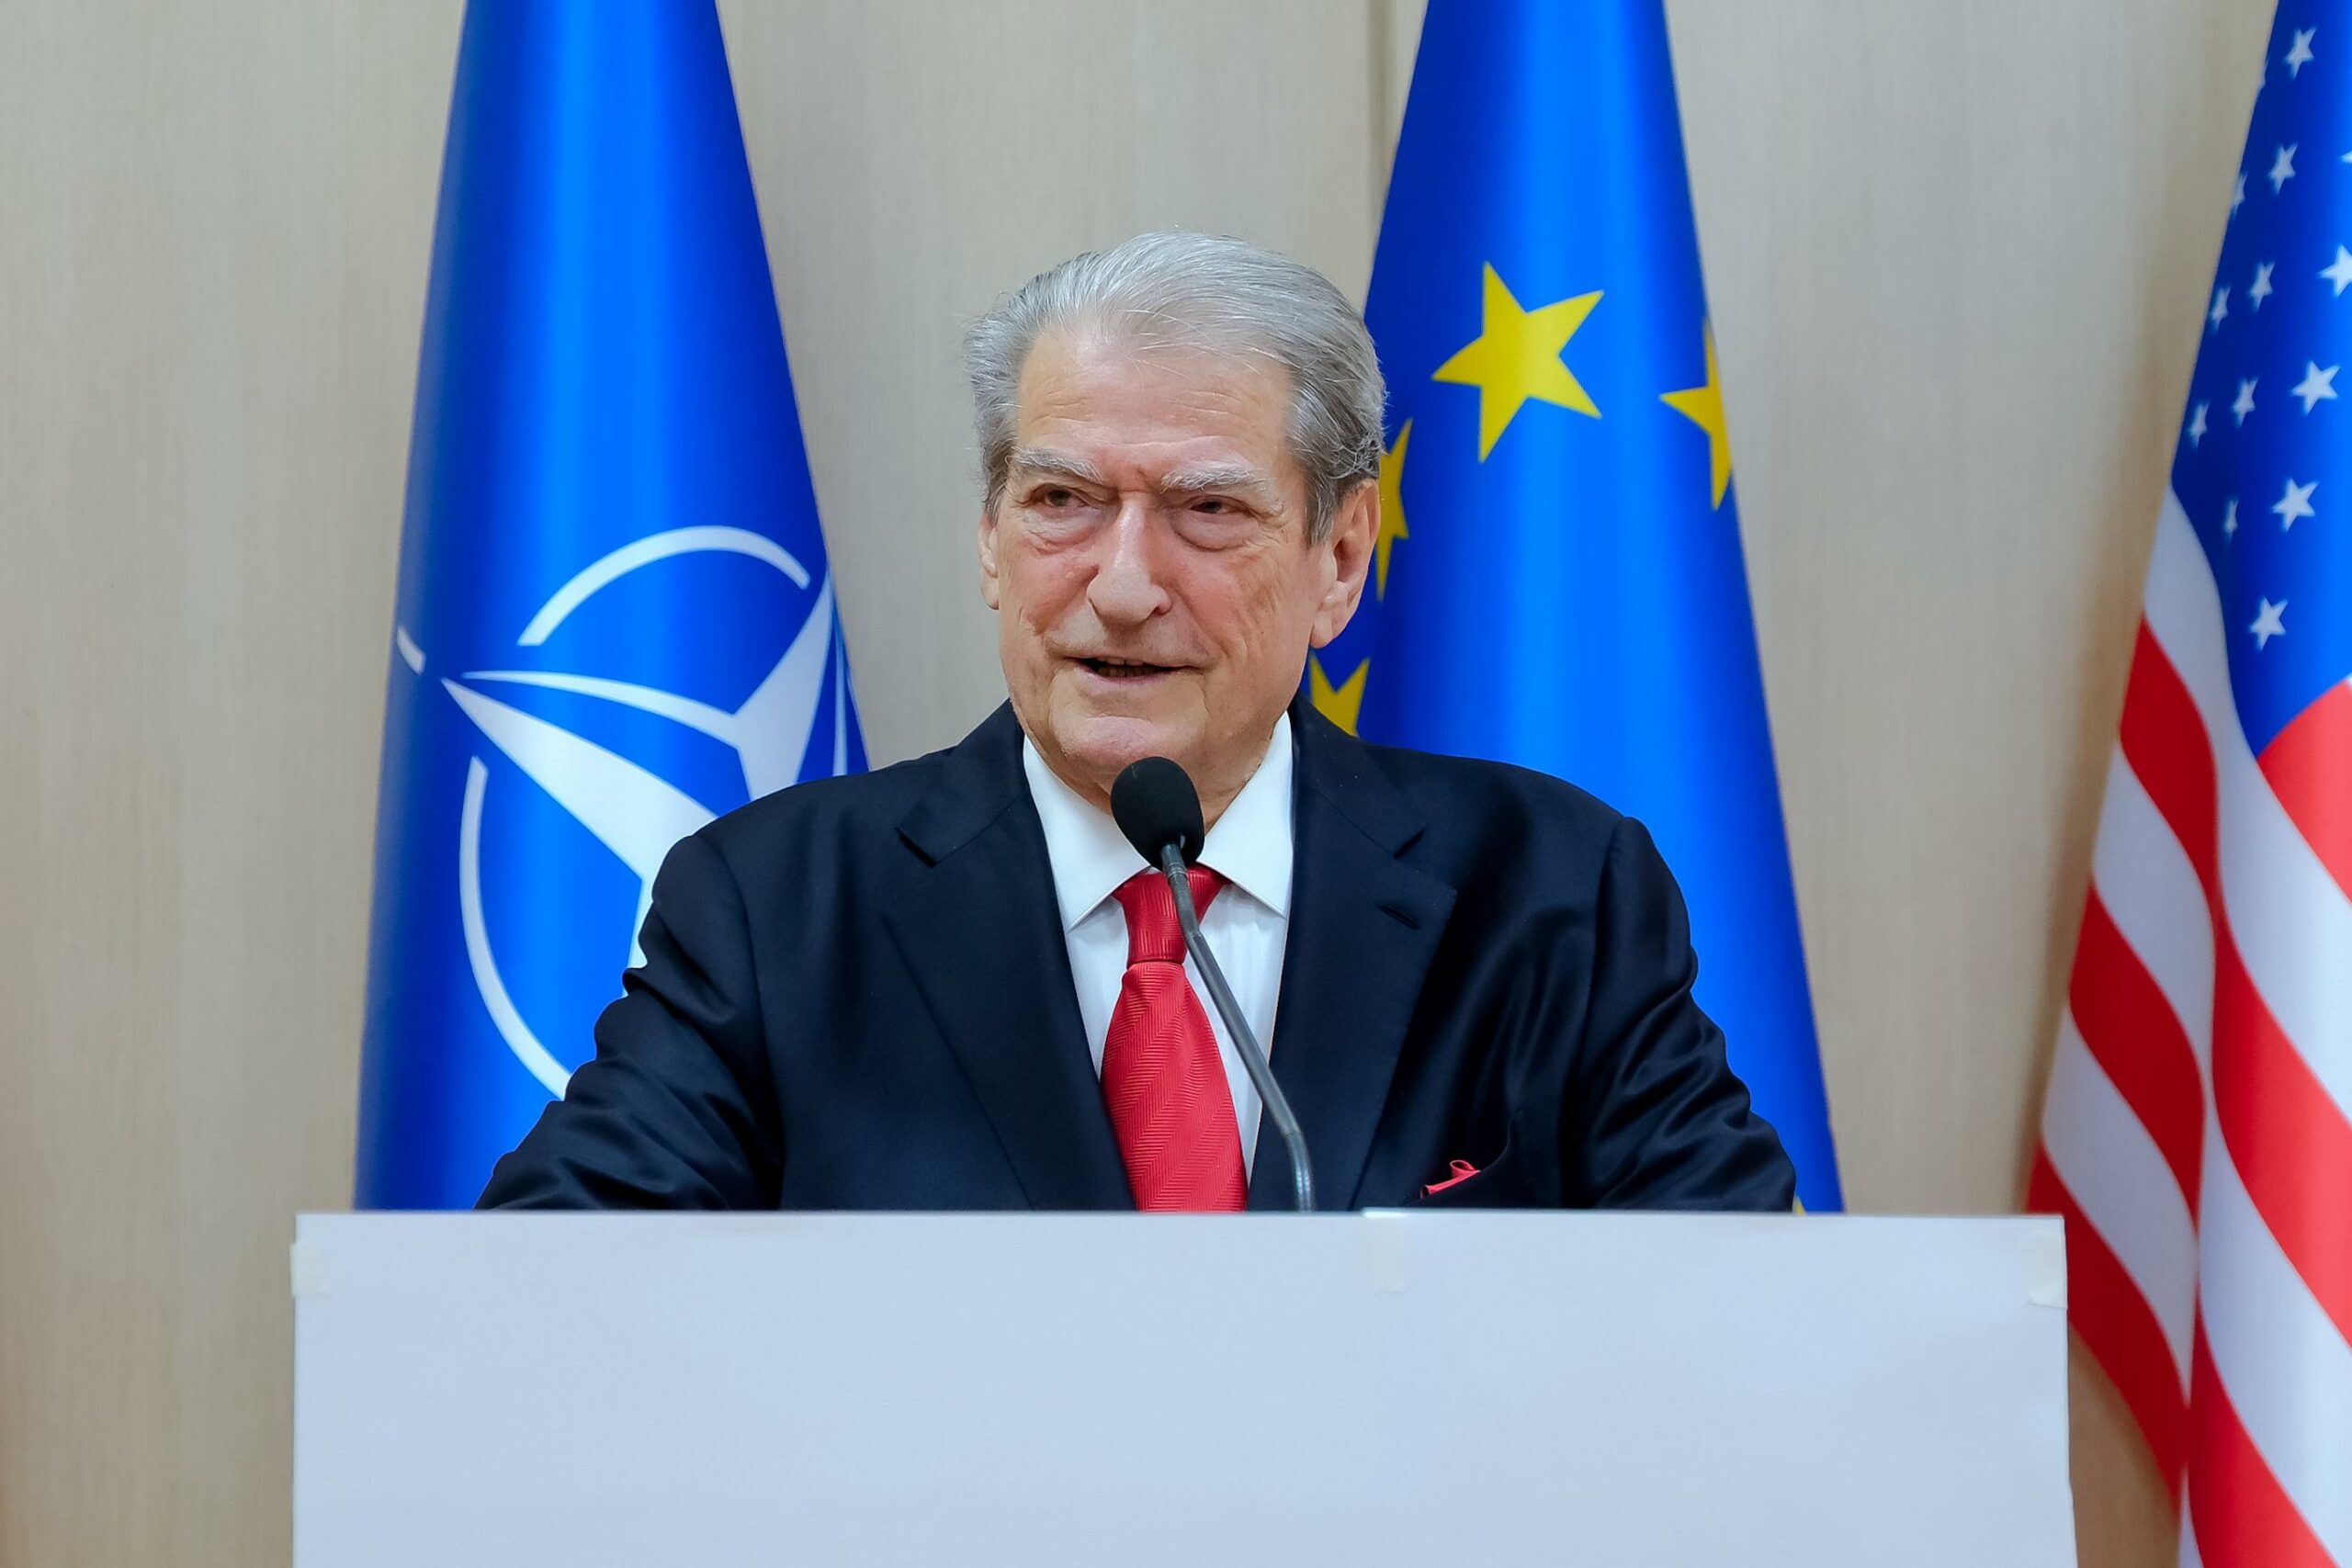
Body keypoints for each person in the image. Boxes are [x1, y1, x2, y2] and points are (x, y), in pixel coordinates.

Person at [478, 232, 1794, 1213]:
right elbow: (547, 1294)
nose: (1120, 586)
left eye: (1207, 511)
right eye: (1061, 501)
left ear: (1341, 559)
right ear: (990, 540)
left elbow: (1744, 1306)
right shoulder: (776, 910)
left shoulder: (1552, 895)